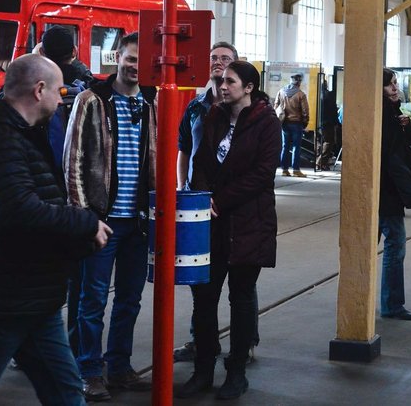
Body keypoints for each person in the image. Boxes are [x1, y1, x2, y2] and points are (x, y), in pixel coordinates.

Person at [0, 54, 111, 405]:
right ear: (39, 90)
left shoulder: (22, 133)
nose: (62, 99)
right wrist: (85, 224)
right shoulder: (4, 137)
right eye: (59, 91)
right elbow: (20, 209)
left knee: (67, 393)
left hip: (36, 299)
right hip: (13, 300)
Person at [179, 61, 280, 399]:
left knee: (241, 298)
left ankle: (236, 372)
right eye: (220, 81)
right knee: (204, 300)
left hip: (250, 223)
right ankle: (203, 370)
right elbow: (201, 162)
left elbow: (263, 174)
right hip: (212, 224)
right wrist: (203, 197)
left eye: (230, 82)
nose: (222, 86)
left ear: (249, 87)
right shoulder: (214, 117)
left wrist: (219, 200)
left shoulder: (267, 123)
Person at [64, 32, 156, 400]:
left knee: (130, 300)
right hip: (102, 220)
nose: (134, 67)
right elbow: (72, 162)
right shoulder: (90, 101)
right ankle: (89, 371)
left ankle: (119, 367)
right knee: (92, 300)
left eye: (141, 61)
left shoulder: (150, 104)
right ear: (117, 56)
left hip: (137, 222)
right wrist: (86, 217)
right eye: (130, 58)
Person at [174, 42, 260, 366]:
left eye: (225, 60)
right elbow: (184, 147)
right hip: (198, 200)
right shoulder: (197, 106)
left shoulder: (245, 111)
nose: (218, 64)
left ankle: (245, 341)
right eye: (213, 58)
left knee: (241, 280)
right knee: (201, 279)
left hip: (233, 205)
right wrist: (183, 185)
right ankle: (201, 343)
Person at [39, 25, 96, 355]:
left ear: (43, 52)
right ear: (74, 51)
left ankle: (33, 343)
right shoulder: (89, 87)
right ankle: (74, 348)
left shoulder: (37, 84)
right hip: (75, 196)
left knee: (38, 273)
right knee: (79, 280)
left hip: (41, 193)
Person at [379, 68, 411, 320]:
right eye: (389, 85)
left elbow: (409, 143)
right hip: (385, 189)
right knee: (395, 246)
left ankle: (389, 303)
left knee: (390, 245)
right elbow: (391, 151)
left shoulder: (396, 112)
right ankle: (392, 305)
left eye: (395, 83)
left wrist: (407, 126)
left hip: (388, 190)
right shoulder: (382, 114)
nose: (394, 88)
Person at [274, 73, 310, 177]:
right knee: (296, 147)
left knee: (285, 146)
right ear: (299, 82)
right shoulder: (301, 94)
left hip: (284, 122)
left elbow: (276, 106)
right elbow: (305, 111)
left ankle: (284, 170)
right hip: (296, 123)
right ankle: (296, 170)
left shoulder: (281, 92)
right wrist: (305, 122)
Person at [316, 79, 341, 171]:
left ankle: (320, 162)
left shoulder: (316, 95)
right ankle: (320, 162)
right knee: (328, 142)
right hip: (328, 123)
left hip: (317, 122)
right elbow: (333, 110)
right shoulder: (329, 95)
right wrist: (336, 122)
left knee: (320, 142)